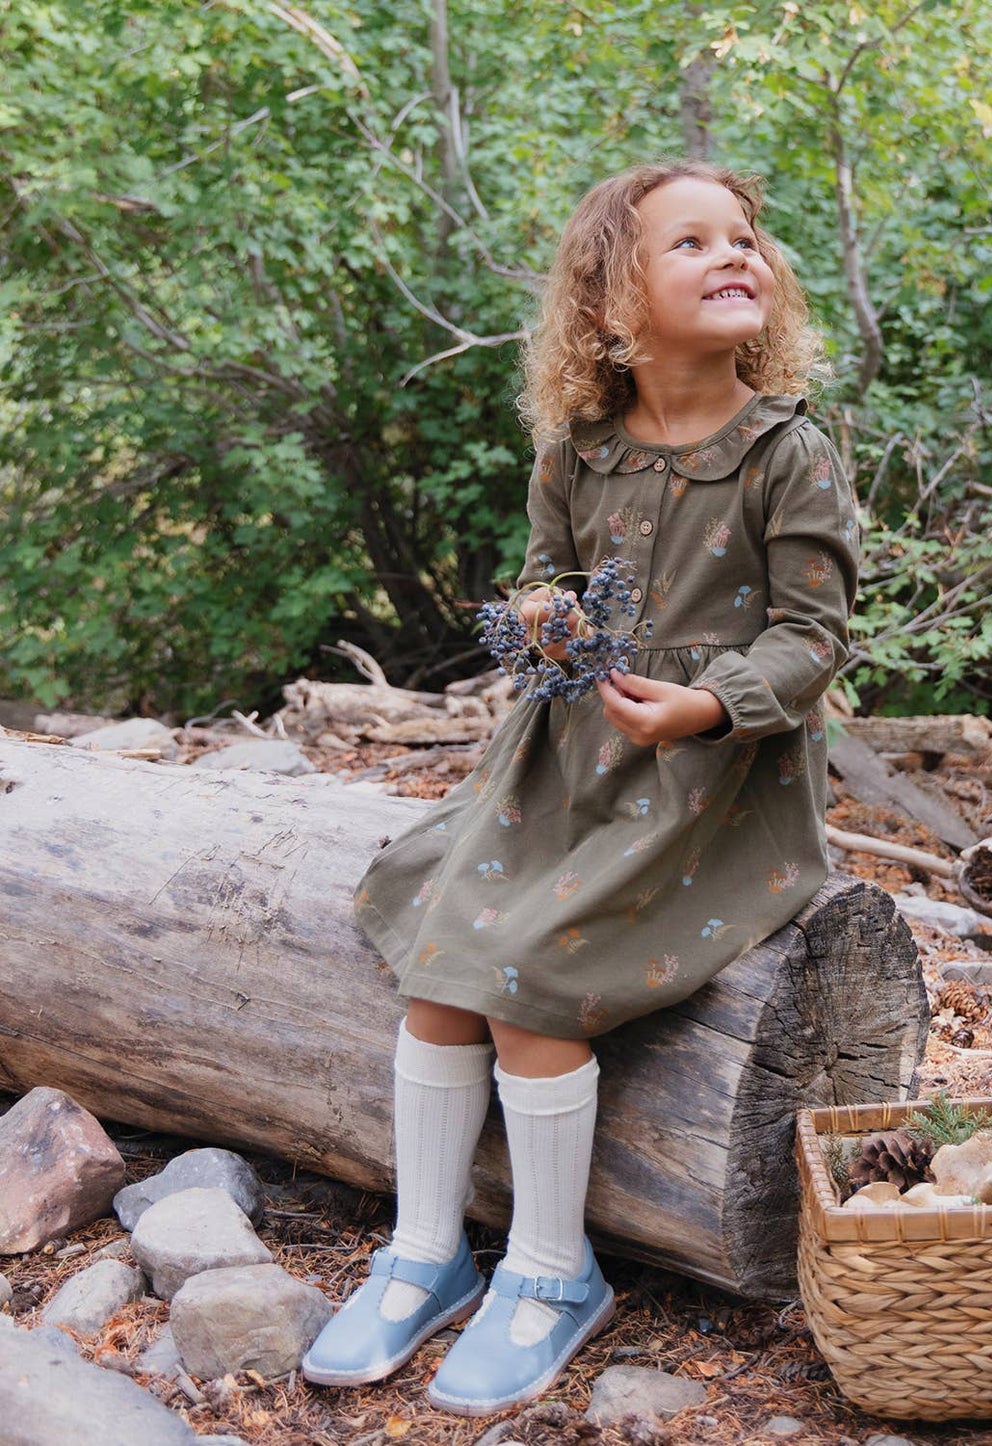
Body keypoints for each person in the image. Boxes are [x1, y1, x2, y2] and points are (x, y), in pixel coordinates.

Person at [301, 159, 859, 1417]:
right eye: (692, 242)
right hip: (567, 754)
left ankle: (554, 1274)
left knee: (533, 971)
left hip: (715, 782)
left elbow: (812, 638)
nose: (736, 255)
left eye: (747, 239)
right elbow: (545, 573)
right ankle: (426, 1253)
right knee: (444, 962)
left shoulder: (789, 452)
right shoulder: (578, 450)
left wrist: (709, 703)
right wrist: (544, 615)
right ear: (611, 304)